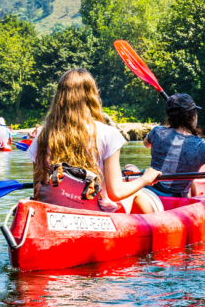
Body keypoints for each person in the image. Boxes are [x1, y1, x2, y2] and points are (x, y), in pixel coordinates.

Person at [26, 69, 160, 213]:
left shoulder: (43, 135)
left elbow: (38, 189)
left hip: (53, 212)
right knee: (137, 193)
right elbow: (116, 193)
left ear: (59, 97)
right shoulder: (109, 134)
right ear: (92, 96)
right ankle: (153, 231)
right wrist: (146, 178)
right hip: (95, 214)